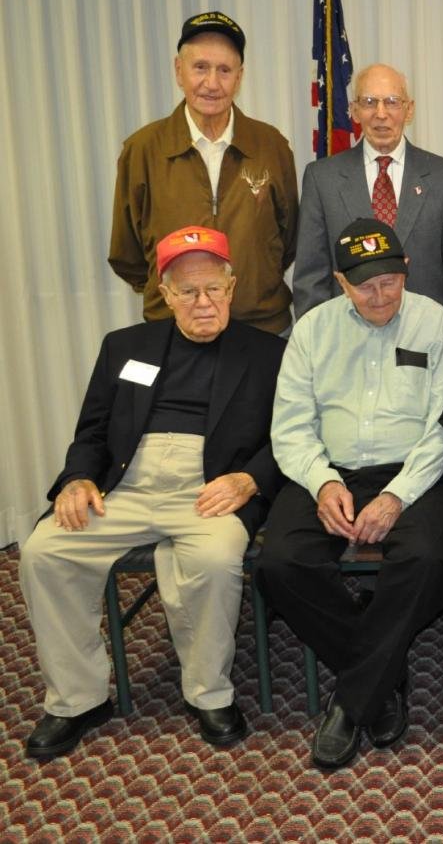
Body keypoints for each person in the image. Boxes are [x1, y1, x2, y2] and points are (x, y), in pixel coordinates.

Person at [21, 226, 285, 758]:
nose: (203, 302)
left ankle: (209, 693)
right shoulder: (124, 346)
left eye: (213, 288)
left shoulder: (270, 352)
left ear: (232, 287)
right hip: (126, 483)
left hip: (212, 486)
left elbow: (290, 435)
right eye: (187, 292)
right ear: (165, 295)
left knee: (213, 559)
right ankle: (76, 698)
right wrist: (77, 479)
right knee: (45, 552)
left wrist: (250, 479)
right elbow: (92, 430)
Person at [258, 217, 443, 771]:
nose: (380, 296)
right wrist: (322, 481)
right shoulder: (312, 330)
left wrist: (396, 495)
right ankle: (382, 676)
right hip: (329, 468)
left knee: (428, 559)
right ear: (340, 282)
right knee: (281, 563)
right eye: (364, 285)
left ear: (407, 271)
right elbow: (290, 426)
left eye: (390, 281)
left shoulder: (439, 326)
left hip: (415, 470)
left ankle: (351, 702)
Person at [109, 11, 299, 334]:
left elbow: (290, 239)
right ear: (178, 70)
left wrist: (253, 282)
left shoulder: (271, 146)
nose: (212, 83)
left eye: (224, 70)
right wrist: (179, 297)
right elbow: (128, 255)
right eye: (200, 67)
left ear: (239, 77)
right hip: (173, 331)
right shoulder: (142, 150)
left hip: (262, 329)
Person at [292, 63, 443, 326]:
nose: (381, 114)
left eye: (392, 102)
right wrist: (322, 341)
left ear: (409, 109)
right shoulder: (321, 179)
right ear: (354, 110)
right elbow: (310, 278)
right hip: (347, 337)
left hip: (427, 336)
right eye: (369, 102)